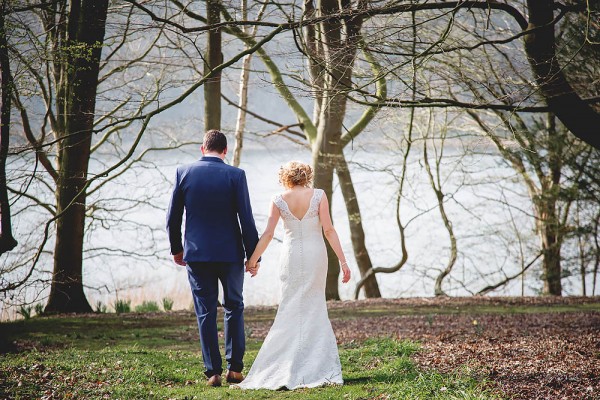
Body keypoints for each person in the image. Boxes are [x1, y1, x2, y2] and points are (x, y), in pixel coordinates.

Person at [236, 161, 351, 390]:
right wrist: (343, 261)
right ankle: (315, 365)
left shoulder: (278, 199)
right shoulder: (318, 195)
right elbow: (328, 230)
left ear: (286, 177)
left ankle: (286, 363)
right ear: (306, 176)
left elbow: (268, 234)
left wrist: (252, 260)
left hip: (290, 257)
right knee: (315, 305)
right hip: (315, 255)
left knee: (289, 306)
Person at [166, 129, 260, 387]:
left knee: (205, 311)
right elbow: (247, 219)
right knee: (234, 306)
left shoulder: (183, 172)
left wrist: (177, 249)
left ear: (202, 148)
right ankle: (235, 369)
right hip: (230, 254)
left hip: (197, 254)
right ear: (225, 150)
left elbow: (173, 218)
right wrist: (254, 256)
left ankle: (213, 372)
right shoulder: (236, 175)